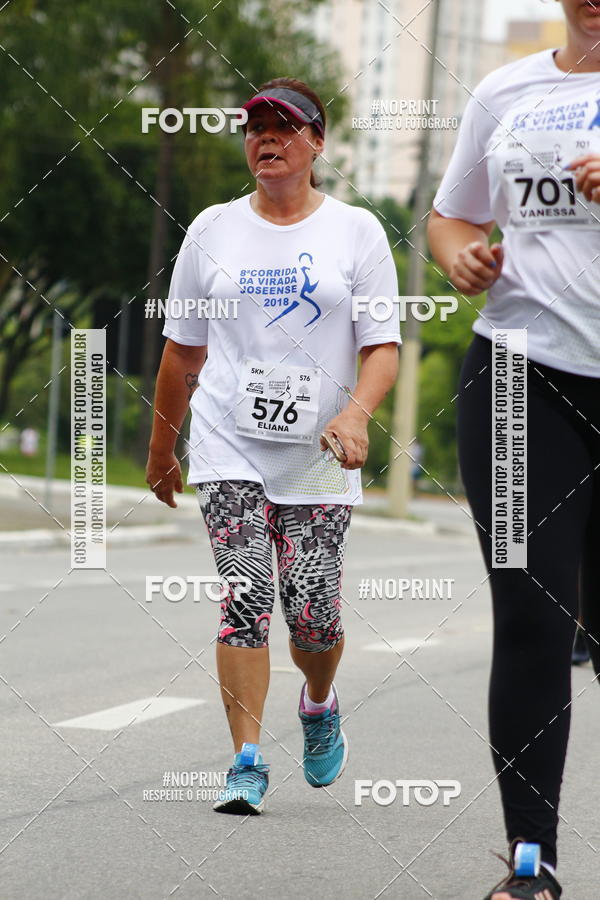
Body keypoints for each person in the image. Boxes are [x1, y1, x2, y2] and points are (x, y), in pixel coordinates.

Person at [146, 77, 400, 815]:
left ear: (317, 142)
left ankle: (318, 701)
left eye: (284, 127)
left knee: (313, 615)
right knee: (246, 592)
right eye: (255, 126)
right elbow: (182, 351)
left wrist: (356, 415)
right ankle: (246, 761)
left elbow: (382, 347)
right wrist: (163, 449)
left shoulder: (356, 231)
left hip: (318, 452)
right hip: (228, 443)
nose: (267, 138)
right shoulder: (211, 229)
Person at [428, 1, 600, 897]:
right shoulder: (505, 90)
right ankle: (532, 865)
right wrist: (461, 256)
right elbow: (451, 217)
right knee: (533, 618)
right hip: (519, 371)